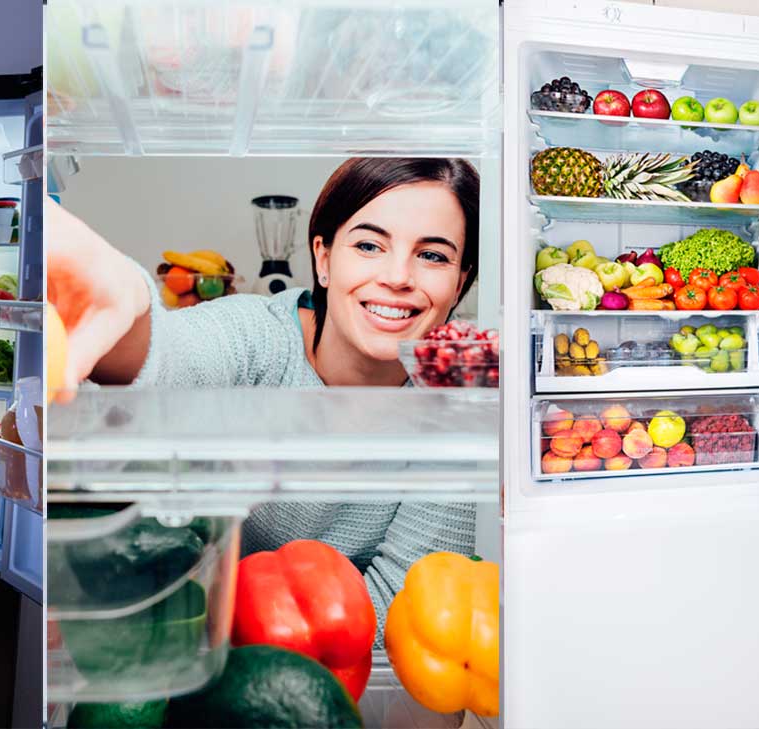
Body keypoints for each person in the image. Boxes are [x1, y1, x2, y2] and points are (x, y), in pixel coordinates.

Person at [49, 157, 481, 642]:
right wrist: (125, 306)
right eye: (368, 245)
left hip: (337, 671)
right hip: (215, 652)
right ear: (323, 257)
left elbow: (413, 603)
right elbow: (169, 357)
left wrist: (241, 625)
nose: (398, 276)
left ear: (459, 282)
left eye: (434, 256)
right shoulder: (259, 336)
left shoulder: (457, 397)